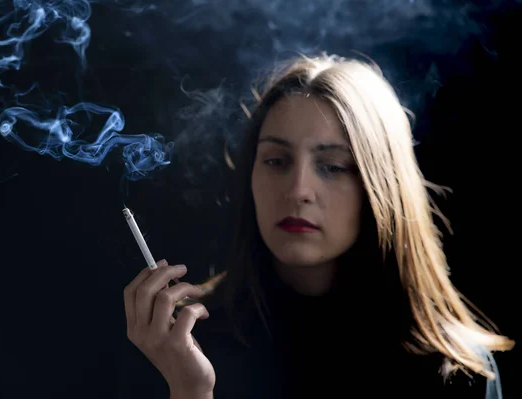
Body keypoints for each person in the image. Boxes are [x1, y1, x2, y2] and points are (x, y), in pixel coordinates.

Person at [123, 52, 515, 399]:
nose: (298, 191)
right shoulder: (180, 343)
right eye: (276, 161)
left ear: (381, 185)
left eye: (332, 167)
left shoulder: (453, 371)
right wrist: (190, 391)